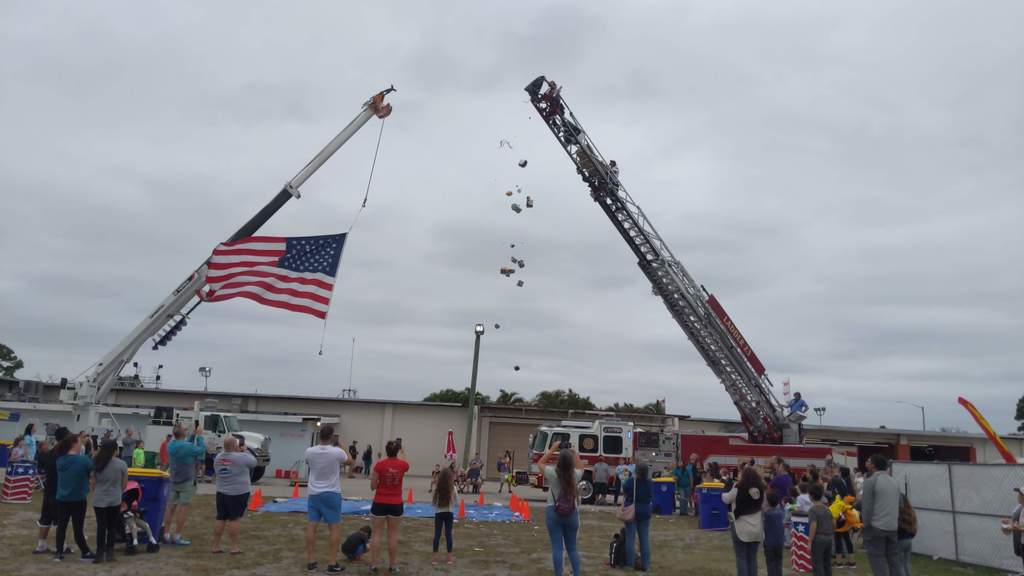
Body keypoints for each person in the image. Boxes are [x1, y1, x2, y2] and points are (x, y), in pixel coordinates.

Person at [304, 424, 348, 573]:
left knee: (311, 526)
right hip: (331, 492)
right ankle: (332, 562)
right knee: (334, 527)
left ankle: (311, 561)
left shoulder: (309, 451)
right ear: (331, 436)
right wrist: (342, 445)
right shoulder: (337, 452)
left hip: (314, 493)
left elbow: (308, 462)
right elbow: (350, 461)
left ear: (319, 436)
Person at [538, 442, 584, 576]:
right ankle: (576, 574)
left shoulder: (552, 473)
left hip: (553, 511)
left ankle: (558, 573)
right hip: (571, 512)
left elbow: (540, 463)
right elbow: (582, 468)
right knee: (572, 549)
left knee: (557, 547)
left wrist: (552, 449)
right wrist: (575, 453)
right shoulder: (575, 474)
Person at [368, 440, 410, 573]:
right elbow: (405, 463)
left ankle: (374, 565)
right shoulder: (403, 465)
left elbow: (373, 486)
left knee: (376, 534)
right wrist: (403, 452)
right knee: (392, 535)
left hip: (380, 501)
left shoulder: (379, 465)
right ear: (397, 451)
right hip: (396, 503)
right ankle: (392, 565)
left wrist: (379, 479)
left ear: (386, 450)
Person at [163, 422, 206, 546]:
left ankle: (165, 534)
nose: (187, 431)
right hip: (186, 480)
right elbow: (201, 450)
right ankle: (177, 536)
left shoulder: (171, 445)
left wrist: (192, 436)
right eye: (186, 430)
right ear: (183, 433)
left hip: (174, 479)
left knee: (170, 507)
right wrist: (200, 436)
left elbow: (186, 445)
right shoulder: (187, 447)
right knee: (183, 507)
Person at [54, 433, 96, 561]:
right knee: (78, 528)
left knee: (61, 526)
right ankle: (85, 551)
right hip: (78, 498)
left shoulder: (60, 460)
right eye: (79, 442)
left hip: (62, 498)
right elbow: (92, 470)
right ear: (74, 444)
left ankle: (59, 552)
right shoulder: (82, 460)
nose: (81, 444)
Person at [211, 436, 256, 555]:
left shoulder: (218, 457)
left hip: (221, 492)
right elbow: (254, 462)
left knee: (220, 518)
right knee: (234, 519)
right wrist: (244, 450)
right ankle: (234, 547)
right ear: (236, 445)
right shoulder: (242, 457)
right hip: (238, 493)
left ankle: (215, 545)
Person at [861, 454, 901, 575]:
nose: (866, 463)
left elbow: (867, 507)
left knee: (878, 562)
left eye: (868, 461)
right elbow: (899, 504)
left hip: (876, 527)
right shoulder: (894, 481)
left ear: (873, 465)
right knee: (894, 561)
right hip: (893, 527)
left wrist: (865, 525)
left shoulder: (870, 481)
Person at [723, 466, 765, 576]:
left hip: (741, 527)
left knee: (741, 557)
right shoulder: (761, 489)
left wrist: (722, 493)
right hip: (756, 528)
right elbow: (764, 505)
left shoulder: (738, 488)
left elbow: (726, 498)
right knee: (752, 558)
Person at [91, 439, 127, 564]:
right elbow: (124, 484)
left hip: (99, 499)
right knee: (112, 527)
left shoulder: (97, 462)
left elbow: (92, 484)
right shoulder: (122, 464)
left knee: (101, 526)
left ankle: (99, 553)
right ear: (115, 450)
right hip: (115, 498)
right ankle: (110, 552)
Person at [34, 427, 69, 554]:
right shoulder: (63, 455)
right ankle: (62, 546)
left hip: (49, 489)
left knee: (46, 518)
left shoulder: (49, 453)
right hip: (59, 490)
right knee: (60, 519)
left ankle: (41, 545)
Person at [622, 462, 653, 571]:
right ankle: (646, 565)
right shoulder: (649, 483)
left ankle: (630, 565)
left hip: (632, 511)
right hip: (645, 511)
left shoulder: (632, 481)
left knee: (630, 539)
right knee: (644, 539)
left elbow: (624, 490)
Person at [432, 466, 458, 566]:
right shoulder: (453, 488)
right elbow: (456, 501)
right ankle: (449, 558)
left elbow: (433, 502)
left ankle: (434, 558)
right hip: (449, 513)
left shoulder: (436, 488)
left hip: (439, 513)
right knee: (448, 535)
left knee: (437, 535)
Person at [808, 483, 834, 576]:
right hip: (829, 538)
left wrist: (810, 541)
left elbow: (813, 525)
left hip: (818, 539)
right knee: (827, 564)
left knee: (817, 565)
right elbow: (833, 522)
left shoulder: (813, 510)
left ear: (811, 496)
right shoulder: (827, 508)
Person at [832, 495, 860, 568]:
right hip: (847, 520)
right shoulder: (848, 498)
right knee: (847, 540)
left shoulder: (838, 500)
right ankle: (852, 562)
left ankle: (839, 562)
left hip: (840, 521)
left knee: (838, 540)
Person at [763, 490, 785, 576]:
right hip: (779, 542)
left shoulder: (767, 515)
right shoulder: (781, 513)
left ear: (768, 502)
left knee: (771, 564)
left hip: (769, 543)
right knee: (778, 563)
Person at [1005, 486, 1024, 575]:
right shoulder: (1021, 508)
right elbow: (1020, 524)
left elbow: (1021, 526)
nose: (1018, 496)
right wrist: (1009, 524)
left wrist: (1017, 528)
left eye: (1020, 494)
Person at [897, 493, 917, 576]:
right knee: (906, 564)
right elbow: (914, 527)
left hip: (900, 540)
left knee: (900, 565)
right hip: (908, 540)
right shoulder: (910, 511)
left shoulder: (898, 512)